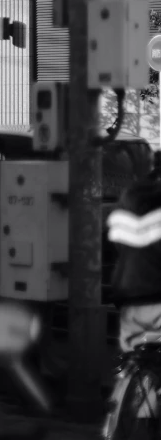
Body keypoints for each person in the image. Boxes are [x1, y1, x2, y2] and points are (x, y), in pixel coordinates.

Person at [107, 151, 161, 432]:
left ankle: (131, 416)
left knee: (138, 357)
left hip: (126, 292)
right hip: (155, 294)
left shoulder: (132, 194)